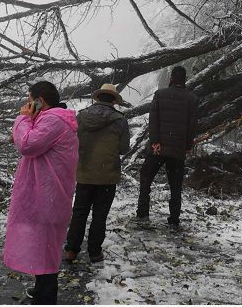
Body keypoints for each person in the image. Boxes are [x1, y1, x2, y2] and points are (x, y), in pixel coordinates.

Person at [3, 81, 78, 305]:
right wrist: (28, 122)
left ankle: (46, 299)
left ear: (39, 101)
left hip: (48, 195)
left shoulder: (53, 120)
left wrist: (23, 118)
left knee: (46, 244)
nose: (27, 106)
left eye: (30, 101)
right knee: (42, 243)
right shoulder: (54, 119)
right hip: (48, 193)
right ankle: (41, 289)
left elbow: (27, 144)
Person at [64, 84, 130, 263]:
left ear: (98, 97)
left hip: (84, 172)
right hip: (107, 175)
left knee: (79, 212)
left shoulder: (81, 117)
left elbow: (71, 141)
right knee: (100, 214)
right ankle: (94, 252)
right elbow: (124, 149)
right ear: (114, 100)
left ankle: (71, 249)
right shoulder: (120, 120)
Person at [135, 66, 199, 230]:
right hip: (177, 149)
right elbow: (192, 126)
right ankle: (174, 219)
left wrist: (155, 141)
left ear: (171, 78)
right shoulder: (191, 98)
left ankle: (142, 212)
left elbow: (153, 120)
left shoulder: (160, 94)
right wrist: (187, 146)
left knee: (146, 177)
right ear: (184, 79)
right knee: (176, 185)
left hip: (158, 148)